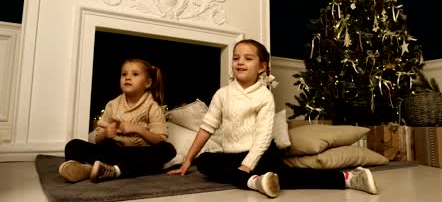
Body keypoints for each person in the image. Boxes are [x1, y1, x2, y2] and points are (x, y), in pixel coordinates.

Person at [167, 39, 378, 197]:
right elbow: (207, 127)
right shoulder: (222, 94)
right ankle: (256, 182)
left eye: (248, 59)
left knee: (288, 177)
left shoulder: (264, 97)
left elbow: (262, 137)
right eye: (236, 57)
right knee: (205, 162)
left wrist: (247, 166)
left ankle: (349, 178)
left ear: (261, 67)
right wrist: (187, 161)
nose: (240, 62)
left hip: (261, 153)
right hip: (232, 155)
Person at [58, 58, 176, 183]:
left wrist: (138, 129)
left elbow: (160, 139)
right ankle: (85, 169)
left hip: (136, 155)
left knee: (167, 149)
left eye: (135, 74)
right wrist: (105, 134)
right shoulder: (112, 105)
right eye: (124, 74)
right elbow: (98, 139)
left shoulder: (152, 107)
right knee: (73, 144)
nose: (128, 77)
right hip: (112, 151)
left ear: (147, 83)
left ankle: (116, 171)